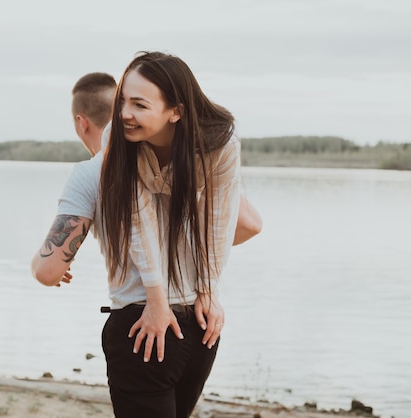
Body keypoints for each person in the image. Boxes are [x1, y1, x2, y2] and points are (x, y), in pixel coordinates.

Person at [33, 51, 248, 417]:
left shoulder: (213, 149)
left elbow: (48, 270)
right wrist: (205, 290)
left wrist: (162, 303)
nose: (126, 113)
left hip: (144, 329)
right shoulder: (124, 148)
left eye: (138, 104)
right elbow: (248, 224)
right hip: (198, 326)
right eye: (123, 102)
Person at [70, 72, 262, 245]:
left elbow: (248, 223)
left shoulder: (163, 158)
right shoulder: (164, 151)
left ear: (82, 123)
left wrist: (183, 256)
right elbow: (251, 224)